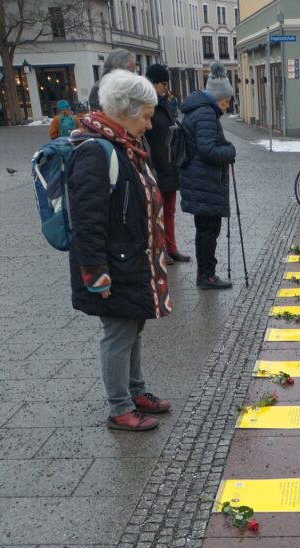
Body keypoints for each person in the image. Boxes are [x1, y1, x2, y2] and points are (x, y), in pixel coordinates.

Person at [68, 70, 173, 431]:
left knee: (133, 326)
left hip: (132, 262)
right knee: (118, 334)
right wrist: (96, 273)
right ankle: (119, 408)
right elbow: (87, 221)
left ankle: (135, 391)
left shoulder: (123, 146)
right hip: (113, 265)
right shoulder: (96, 152)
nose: (149, 124)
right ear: (124, 112)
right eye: (145, 116)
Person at [179, 61, 236, 289]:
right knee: (208, 232)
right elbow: (208, 150)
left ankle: (204, 273)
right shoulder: (205, 114)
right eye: (227, 100)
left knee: (204, 230)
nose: (228, 105)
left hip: (199, 183)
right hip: (204, 183)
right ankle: (207, 276)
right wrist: (230, 151)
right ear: (218, 97)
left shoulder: (200, 110)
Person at [144, 63, 190, 266]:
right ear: (153, 83)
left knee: (169, 211)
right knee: (156, 213)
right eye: (163, 83)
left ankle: (171, 248)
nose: (165, 87)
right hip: (155, 166)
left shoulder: (164, 104)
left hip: (170, 165)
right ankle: (159, 250)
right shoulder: (146, 106)